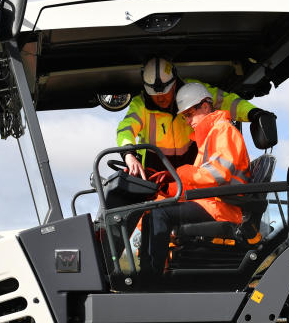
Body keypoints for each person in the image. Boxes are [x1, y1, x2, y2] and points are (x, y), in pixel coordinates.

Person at [137, 82, 252, 278]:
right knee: (150, 211)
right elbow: (197, 182)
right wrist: (166, 189)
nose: (188, 121)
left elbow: (218, 173)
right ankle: (145, 274)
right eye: (185, 116)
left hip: (224, 207)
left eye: (190, 114)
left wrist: (181, 172)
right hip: (210, 202)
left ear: (206, 106)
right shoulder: (208, 138)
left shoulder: (223, 130)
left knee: (160, 214)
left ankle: (152, 279)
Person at [116, 57, 274, 177]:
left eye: (165, 92)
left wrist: (254, 113)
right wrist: (128, 154)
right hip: (155, 172)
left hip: (193, 170)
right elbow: (126, 129)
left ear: (174, 84)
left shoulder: (193, 92)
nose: (161, 98)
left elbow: (228, 101)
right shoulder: (140, 104)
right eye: (155, 95)